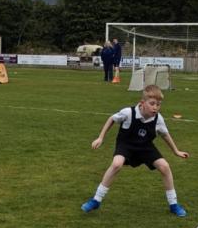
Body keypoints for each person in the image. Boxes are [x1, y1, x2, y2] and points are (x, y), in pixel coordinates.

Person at [81, 84, 189, 217]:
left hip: (145, 147)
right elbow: (112, 119)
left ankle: (173, 205)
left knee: (165, 166)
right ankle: (96, 200)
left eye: (158, 104)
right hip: (126, 145)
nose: (155, 107)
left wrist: (176, 151)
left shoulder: (158, 119)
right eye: (152, 103)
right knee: (116, 164)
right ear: (142, 103)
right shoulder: (128, 112)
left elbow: (165, 135)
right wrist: (100, 137)